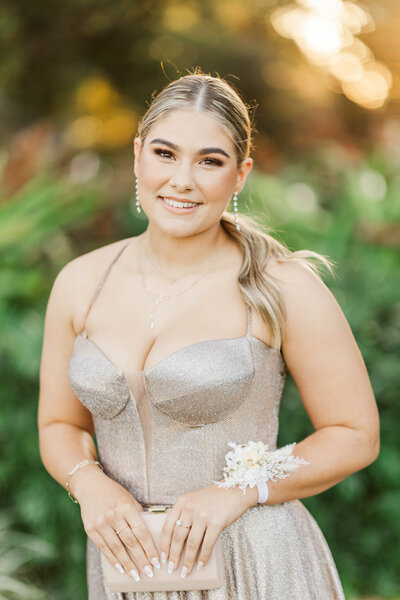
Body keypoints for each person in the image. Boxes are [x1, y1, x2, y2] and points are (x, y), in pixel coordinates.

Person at [38, 70, 380, 599]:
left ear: (240, 174)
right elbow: (59, 422)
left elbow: (355, 434)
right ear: (137, 156)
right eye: (165, 154)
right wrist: (87, 483)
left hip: (253, 562)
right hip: (126, 569)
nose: (182, 180)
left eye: (210, 161)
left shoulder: (281, 285)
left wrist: (239, 491)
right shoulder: (80, 282)